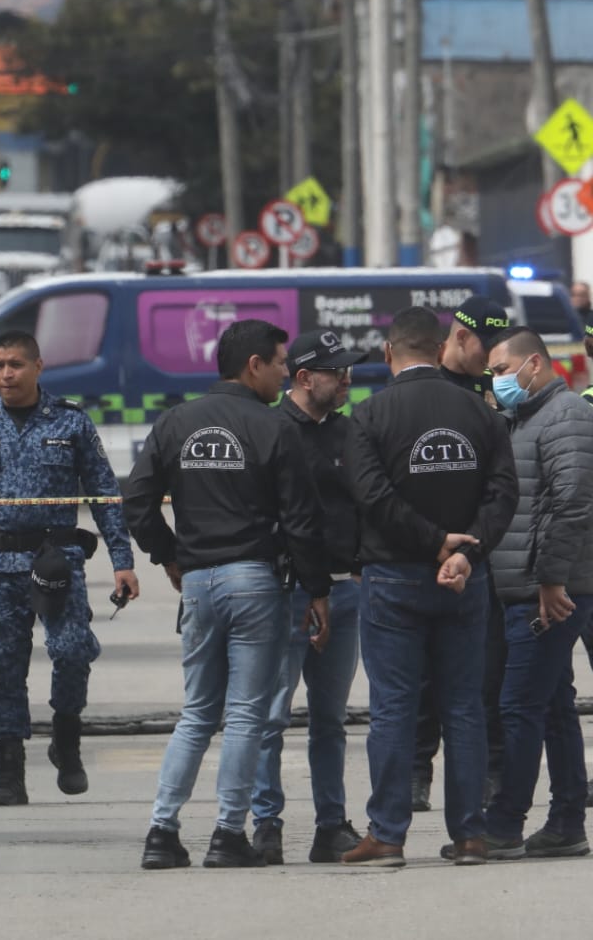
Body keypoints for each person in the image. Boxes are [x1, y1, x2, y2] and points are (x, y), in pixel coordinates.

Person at [122, 319, 332, 870]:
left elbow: (136, 502)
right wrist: (317, 589)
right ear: (254, 365)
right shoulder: (273, 428)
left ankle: (161, 832)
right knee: (244, 716)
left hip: (197, 582)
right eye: (281, 363)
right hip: (253, 581)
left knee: (195, 713)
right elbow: (303, 519)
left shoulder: (175, 422)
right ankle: (226, 834)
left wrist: (170, 555)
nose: (286, 373)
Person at [0, 331, 139, 808]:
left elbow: (103, 494)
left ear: (39, 366)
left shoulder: (71, 422)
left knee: (74, 651)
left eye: (16, 365)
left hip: (56, 559)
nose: (6, 375)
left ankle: (66, 737)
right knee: (5, 667)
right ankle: (10, 768)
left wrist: (123, 560)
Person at [342, 305, 516, 868]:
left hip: (394, 577)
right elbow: (503, 494)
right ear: (439, 346)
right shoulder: (480, 413)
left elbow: (372, 496)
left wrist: (432, 541)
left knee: (393, 708)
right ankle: (470, 835)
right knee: (464, 708)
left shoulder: (368, 416)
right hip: (465, 580)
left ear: (390, 353)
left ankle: (388, 837)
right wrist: (464, 551)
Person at [474, 327, 593, 860]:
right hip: (529, 585)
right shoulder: (525, 418)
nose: (496, 381)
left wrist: (550, 579)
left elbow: (572, 501)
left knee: (519, 706)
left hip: (546, 590)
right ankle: (567, 820)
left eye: (502, 370)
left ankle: (503, 826)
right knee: (551, 707)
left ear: (535, 366)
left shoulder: (566, 416)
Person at [249, 331, 367, 865]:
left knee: (330, 718)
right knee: (271, 715)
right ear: (302, 378)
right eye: (336, 373)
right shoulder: (271, 431)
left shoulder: (352, 432)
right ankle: (266, 823)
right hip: (287, 594)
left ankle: (330, 823)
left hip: (344, 592)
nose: (347, 381)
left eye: (348, 372)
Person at [413, 294, 511, 813]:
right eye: (486, 349)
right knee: (425, 678)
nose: (493, 361)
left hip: (483, 551)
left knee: (487, 675)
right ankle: (416, 774)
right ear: (461, 335)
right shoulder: (423, 387)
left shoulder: (496, 389)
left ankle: (493, 775)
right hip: (427, 550)